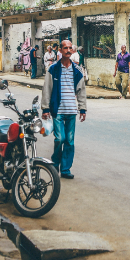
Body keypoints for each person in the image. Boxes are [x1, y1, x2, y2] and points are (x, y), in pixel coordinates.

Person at [41, 40, 88, 179]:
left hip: (72, 111)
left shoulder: (77, 71)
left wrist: (82, 109)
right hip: (58, 111)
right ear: (60, 50)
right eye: (65, 48)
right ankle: (55, 164)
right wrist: (45, 108)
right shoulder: (53, 69)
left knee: (70, 141)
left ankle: (66, 169)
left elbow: (81, 91)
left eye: (70, 48)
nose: (68, 50)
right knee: (60, 139)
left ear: (72, 51)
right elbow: (47, 89)